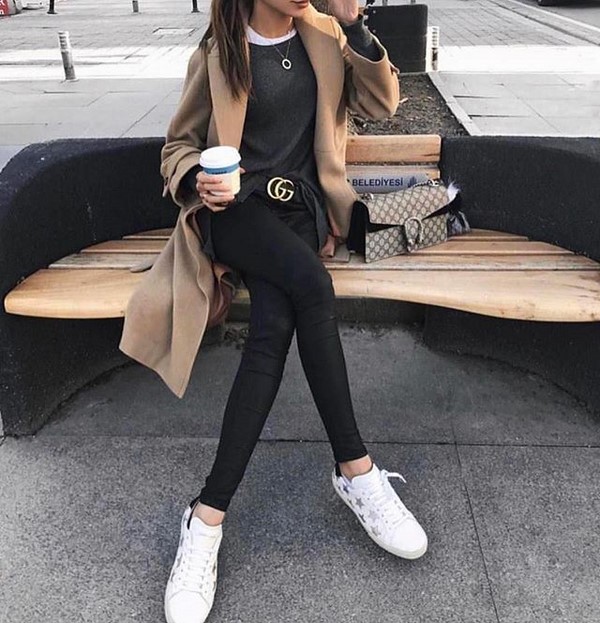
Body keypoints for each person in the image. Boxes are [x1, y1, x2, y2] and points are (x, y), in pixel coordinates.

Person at [161, 1, 428, 622]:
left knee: (274, 326)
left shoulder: (327, 35)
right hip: (235, 215)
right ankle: (357, 470)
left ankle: (205, 518)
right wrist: (199, 177)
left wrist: (356, 25)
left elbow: (383, 103)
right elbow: (177, 147)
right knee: (312, 285)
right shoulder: (219, 49)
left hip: (301, 212)